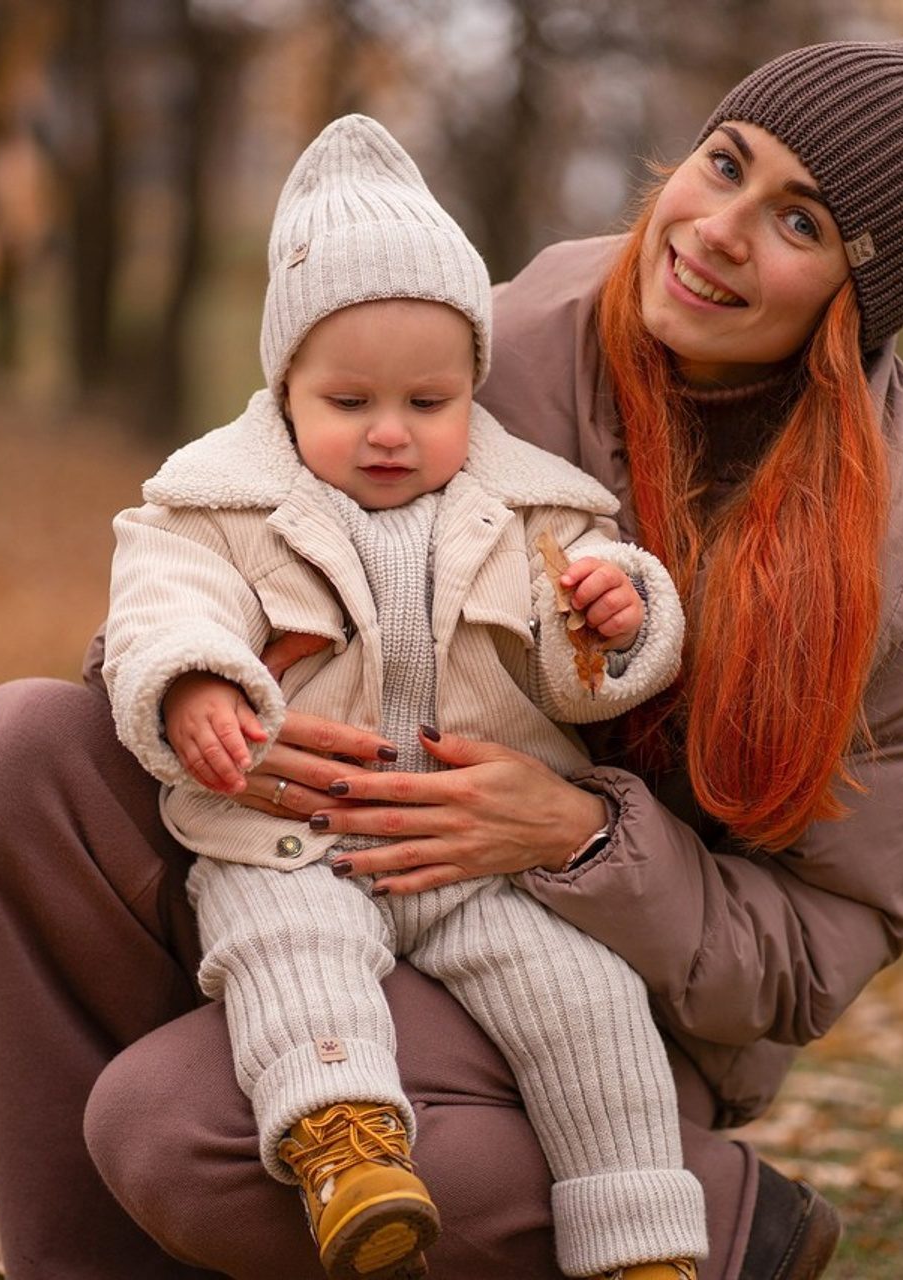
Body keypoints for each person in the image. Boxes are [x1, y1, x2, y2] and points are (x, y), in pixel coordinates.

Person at [0, 30, 903, 1280]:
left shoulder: (901, 571)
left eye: (798, 223)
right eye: (723, 162)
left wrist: (576, 834)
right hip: (329, 847)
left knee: (177, 1124)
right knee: (16, 754)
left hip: (595, 978)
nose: (719, 227)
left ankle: (726, 1222)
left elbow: (808, 954)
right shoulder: (487, 344)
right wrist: (231, 674)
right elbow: (222, 516)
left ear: (858, 299)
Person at [101, 113, 701, 1280]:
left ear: (472, 386)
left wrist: (621, 614)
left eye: (427, 403)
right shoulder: (212, 504)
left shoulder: (539, 509)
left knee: (585, 997)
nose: (388, 433)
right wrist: (192, 685)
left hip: (476, 855)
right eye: (348, 401)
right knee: (287, 946)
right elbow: (159, 605)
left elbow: (580, 675)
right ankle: (350, 1153)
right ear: (286, 388)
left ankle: (643, 1242)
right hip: (297, 834)